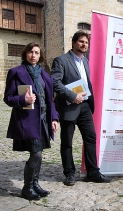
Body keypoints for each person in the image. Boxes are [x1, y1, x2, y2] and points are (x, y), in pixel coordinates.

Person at [51, 30, 108, 186]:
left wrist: (85, 100)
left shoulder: (86, 62)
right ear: (74, 42)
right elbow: (55, 83)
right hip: (69, 106)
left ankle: (93, 172)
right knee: (67, 142)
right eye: (81, 42)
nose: (84, 45)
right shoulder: (61, 60)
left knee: (90, 138)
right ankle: (69, 173)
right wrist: (72, 96)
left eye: (86, 42)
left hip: (84, 106)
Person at [4, 43, 59, 200]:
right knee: (36, 153)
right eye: (30, 52)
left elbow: (51, 100)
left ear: (40, 55)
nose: (33, 55)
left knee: (39, 154)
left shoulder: (44, 75)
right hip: (27, 120)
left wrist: (54, 118)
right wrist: (23, 99)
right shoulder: (16, 72)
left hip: (43, 120)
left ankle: (35, 184)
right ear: (25, 53)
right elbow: (8, 98)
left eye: (36, 52)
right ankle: (27, 188)